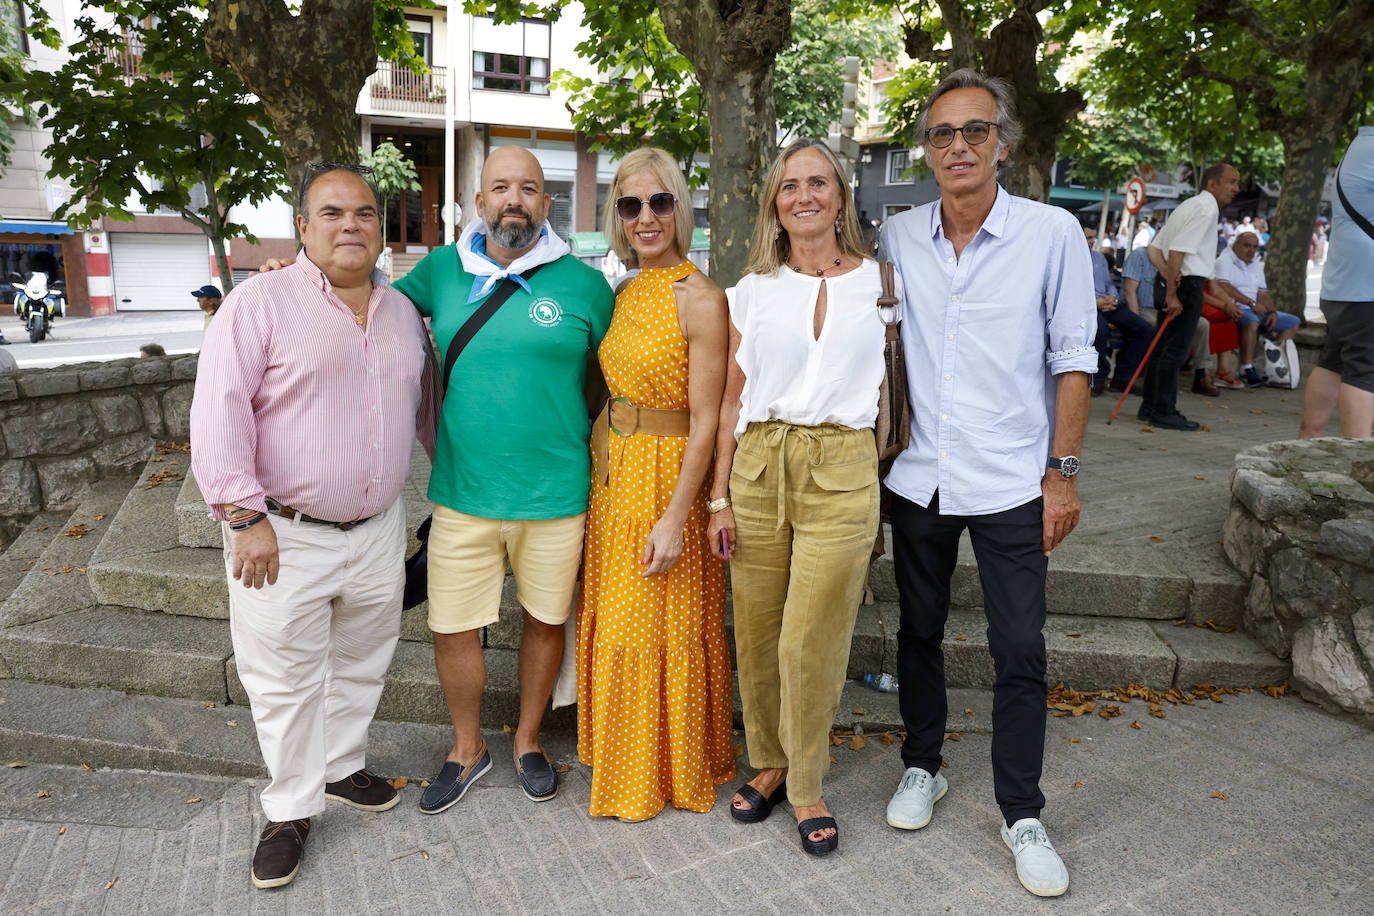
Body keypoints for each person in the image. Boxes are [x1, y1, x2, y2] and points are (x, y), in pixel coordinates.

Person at [879, 69, 1095, 898]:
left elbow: (1074, 360)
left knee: (1020, 649)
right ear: (927, 151)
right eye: (942, 133)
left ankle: (1021, 811)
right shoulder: (899, 239)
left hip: (1012, 478)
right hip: (919, 475)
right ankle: (922, 765)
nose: (958, 146)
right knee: (919, 631)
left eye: (975, 131)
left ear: (1003, 142)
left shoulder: (1051, 235)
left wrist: (1061, 475)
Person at [190, 164, 436, 889]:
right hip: (282, 532)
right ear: (303, 226)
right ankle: (290, 809)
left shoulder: (400, 314)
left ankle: (341, 768)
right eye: (331, 213)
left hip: (375, 528)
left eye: (364, 213)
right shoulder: (258, 302)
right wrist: (243, 518)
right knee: (284, 678)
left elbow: (422, 412)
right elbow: (219, 411)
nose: (350, 226)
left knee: (363, 656)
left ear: (380, 229)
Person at [393, 147, 615, 814]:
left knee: (546, 622)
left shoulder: (585, 286)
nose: (513, 199)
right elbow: (363, 316)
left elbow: (611, 382)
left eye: (528, 188)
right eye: (500, 188)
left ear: (547, 206)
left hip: (556, 496)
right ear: (478, 204)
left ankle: (525, 741)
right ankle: (467, 750)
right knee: (453, 627)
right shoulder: (438, 271)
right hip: (463, 493)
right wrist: (296, 277)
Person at [706, 137, 890, 857]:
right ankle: (772, 762)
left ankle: (807, 778)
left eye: (818, 183)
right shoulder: (751, 289)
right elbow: (729, 402)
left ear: (841, 196)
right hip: (758, 465)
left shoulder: (882, 284)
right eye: (790, 187)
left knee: (809, 636)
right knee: (755, 633)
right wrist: (718, 497)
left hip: (842, 466)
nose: (804, 195)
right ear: (774, 206)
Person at [575, 147, 733, 822]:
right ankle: (623, 756)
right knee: (620, 623)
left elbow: (706, 422)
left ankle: (655, 772)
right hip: (614, 478)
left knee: (656, 627)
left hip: (668, 478)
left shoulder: (699, 297)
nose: (646, 217)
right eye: (631, 204)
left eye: (660, 202)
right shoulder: (623, 289)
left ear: (680, 209)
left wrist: (677, 517)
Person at [1143, 163, 1240, 429]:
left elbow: (1154, 249)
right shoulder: (1207, 208)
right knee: (1174, 350)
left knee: (1162, 348)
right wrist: (1174, 293)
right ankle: (1163, 410)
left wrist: (1166, 277)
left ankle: (1150, 406)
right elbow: (1177, 251)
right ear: (1212, 184)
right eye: (1231, 182)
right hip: (1186, 285)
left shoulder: (1188, 205)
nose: (1236, 189)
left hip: (1175, 281)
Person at [1300, 126, 1374, 438]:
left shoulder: (1362, 145)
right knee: (1365, 367)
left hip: (1346, 284)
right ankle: (1359, 461)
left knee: (1333, 361)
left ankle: (1308, 445)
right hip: (1364, 286)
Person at [1212, 229, 1301, 387]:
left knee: (1293, 322)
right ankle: (1246, 368)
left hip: (1256, 308)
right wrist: (1250, 303)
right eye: (1247, 246)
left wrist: (1272, 311)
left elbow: (1263, 293)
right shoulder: (1224, 260)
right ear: (1237, 245)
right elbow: (1224, 287)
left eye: (1254, 246)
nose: (1251, 250)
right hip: (1236, 308)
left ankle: (1272, 364)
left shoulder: (1256, 264)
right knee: (1252, 321)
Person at [1124, 246, 1216, 394]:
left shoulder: (1176, 260)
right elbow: (1130, 290)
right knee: (1163, 330)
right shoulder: (1140, 255)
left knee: (1202, 324)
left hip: (1169, 308)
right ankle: (1159, 381)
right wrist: (1135, 319)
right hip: (1144, 309)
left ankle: (1201, 374)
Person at [1085, 226, 1152, 395]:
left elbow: (1108, 283)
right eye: (1088, 238)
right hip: (1086, 307)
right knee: (1100, 330)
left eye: (1093, 237)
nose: (1092, 241)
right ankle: (1099, 377)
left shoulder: (1099, 257)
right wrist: (1096, 302)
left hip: (1108, 304)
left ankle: (1123, 377)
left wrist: (1113, 297)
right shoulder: (1069, 258)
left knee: (1145, 330)